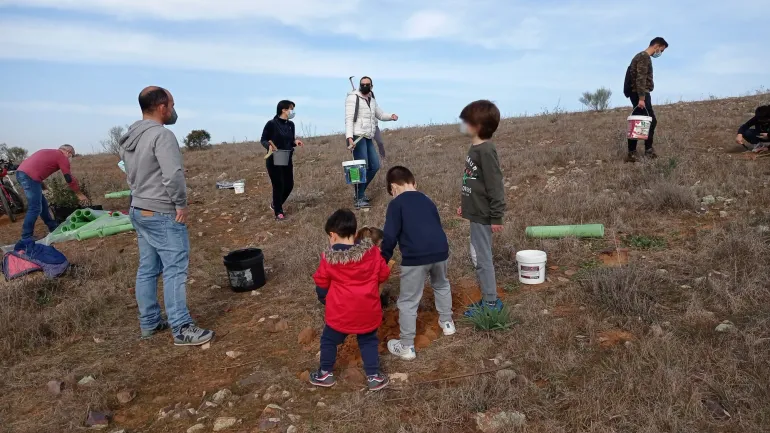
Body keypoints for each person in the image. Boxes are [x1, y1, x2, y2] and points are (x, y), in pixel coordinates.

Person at [119, 86, 214, 346]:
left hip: (138, 209)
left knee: (148, 269)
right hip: (161, 211)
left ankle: (149, 322)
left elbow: (128, 172)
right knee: (175, 269)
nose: (173, 110)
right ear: (162, 107)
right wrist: (180, 204)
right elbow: (172, 175)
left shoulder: (129, 137)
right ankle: (182, 327)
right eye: (171, 104)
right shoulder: (162, 135)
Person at [311, 209, 391, 391]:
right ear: (355, 234)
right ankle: (374, 377)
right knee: (368, 340)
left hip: (340, 313)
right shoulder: (372, 253)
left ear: (332, 235)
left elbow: (321, 281)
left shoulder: (329, 258)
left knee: (329, 340)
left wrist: (324, 297)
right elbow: (384, 274)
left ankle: (325, 374)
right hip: (368, 310)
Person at [380, 166, 454, 361]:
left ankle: (406, 346)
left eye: (391, 192)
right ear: (414, 183)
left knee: (408, 301)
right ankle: (447, 323)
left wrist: (382, 260)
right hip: (440, 251)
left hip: (415, 257)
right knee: (441, 284)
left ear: (393, 187)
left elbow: (389, 236)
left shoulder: (396, 205)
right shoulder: (427, 200)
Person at [457, 100, 506, 318]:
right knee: (478, 256)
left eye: (466, 121)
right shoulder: (475, 148)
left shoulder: (486, 151)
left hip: (484, 216)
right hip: (475, 212)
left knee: (482, 258)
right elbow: (473, 182)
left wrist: (496, 216)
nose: (462, 125)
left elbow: (495, 185)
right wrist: (465, 206)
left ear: (477, 125)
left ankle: (491, 302)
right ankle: (488, 297)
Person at [344, 76, 398, 209]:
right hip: (357, 137)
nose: (365, 86)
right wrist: (349, 137)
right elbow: (349, 119)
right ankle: (359, 198)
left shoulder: (372, 99)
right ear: (359, 85)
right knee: (360, 168)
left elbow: (379, 114)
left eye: (367, 84)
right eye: (362, 84)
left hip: (368, 136)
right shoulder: (353, 97)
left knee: (375, 165)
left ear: (371, 86)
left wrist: (390, 117)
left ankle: (359, 193)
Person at [16, 145, 86, 240]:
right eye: (72, 155)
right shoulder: (62, 156)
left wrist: (42, 185)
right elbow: (69, 178)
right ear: (68, 152)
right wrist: (79, 194)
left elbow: (37, 167)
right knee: (35, 208)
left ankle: (53, 227)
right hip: (30, 177)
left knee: (43, 205)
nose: (71, 158)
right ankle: (26, 237)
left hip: (21, 173)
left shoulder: (49, 152)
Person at [623, 37, 669, 162]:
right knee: (651, 121)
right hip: (640, 94)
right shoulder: (644, 57)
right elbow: (641, 78)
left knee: (638, 121)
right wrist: (642, 98)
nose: (660, 53)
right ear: (657, 46)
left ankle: (633, 153)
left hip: (637, 93)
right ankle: (646, 151)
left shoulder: (639, 56)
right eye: (661, 50)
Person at [261, 100, 304, 221]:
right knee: (278, 184)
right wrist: (268, 146)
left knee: (289, 185)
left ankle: (275, 203)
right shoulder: (271, 124)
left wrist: (295, 142)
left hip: (287, 157)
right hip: (273, 158)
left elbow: (290, 140)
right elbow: (263, 139)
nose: (292, 111)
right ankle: (278, 212)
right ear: (283, 110)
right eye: (291, 109)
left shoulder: (291, 125)